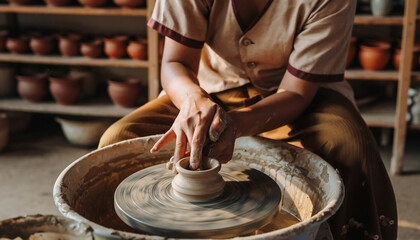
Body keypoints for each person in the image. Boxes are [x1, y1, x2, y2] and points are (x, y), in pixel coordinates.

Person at [99, 0, 397, 239]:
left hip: (299, 95)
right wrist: (193, 100)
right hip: (210, 86)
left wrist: (237, 124)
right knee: (121, 138)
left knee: (348, 147)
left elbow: (296, 93)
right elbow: (175, 62)